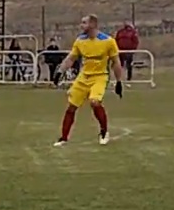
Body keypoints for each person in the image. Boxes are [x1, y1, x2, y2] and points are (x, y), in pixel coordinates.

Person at [52, 14, 125, 146]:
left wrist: (119, 81)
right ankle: (63, 137)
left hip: (100, 76)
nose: (81, 25)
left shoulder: (108, 41)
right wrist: (59, 72)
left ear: (92, 24)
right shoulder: (80, 41)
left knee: (95, 102)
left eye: (84, 23)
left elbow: (116, 62)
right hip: (83, 77)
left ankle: (104, 132)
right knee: (71, 107)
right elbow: (71, 58)